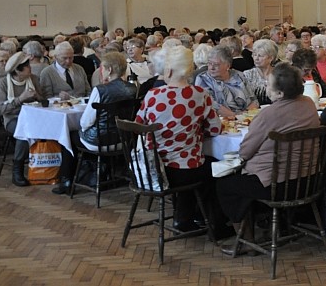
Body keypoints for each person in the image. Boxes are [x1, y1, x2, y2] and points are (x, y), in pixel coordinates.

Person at [216, 63, 319, 254]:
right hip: (308, 179)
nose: (265, 86)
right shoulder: (308, 103)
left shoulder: (269, 113)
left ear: (279, 93)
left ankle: (246, 241)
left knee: (225, 184)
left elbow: (245, 151)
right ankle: (275, 226)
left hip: (277, 184)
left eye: (269, 84)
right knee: (244, 180)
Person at [135, 46, 221, 232]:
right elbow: (215, 128)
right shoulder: (200, 94)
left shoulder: (152, 95)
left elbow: (138, 124)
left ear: (169, 70)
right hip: (186, 168)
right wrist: (196, 131)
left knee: (197, 167)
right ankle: (205, 220)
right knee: (214, 168)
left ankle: (184, 217)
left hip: (155, 169)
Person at [51, 52, 139, 195]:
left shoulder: (100, 90)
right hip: (123, 139)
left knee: (68, 136)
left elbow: (85, 122)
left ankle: (66, 181)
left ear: (109, 70)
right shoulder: (132, 88)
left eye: (102, 68)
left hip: (99, 141)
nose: (101, 71)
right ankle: (101, 172)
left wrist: (84, 127)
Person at [0, 52, 46, 186]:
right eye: (27, 66)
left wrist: (37, 97)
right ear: (18, 70)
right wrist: (20, 99)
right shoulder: (3, 83)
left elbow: (44, 101)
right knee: (24, 131)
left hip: (34, 117)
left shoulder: (33, 79)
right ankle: (17, 170)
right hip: (13, 119)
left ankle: (50, 166)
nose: (30, 68)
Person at [194, 45, 258, 117]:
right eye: (209, 63)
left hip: (246, 119)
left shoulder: (239, 75)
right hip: (222, 121)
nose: (211, 67)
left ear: (228, 66)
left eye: (216, 64)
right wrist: (235, 117)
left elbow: (254, 101)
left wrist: (244, 116)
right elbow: (213, 105)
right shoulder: (203, 79)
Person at [242, 39, 278, 106]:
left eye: (260, 56)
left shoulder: (278, 74)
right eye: (254, 55)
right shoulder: (248, 74)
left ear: (271, 58)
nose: (256, 58)